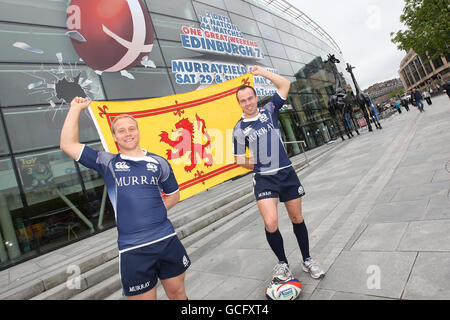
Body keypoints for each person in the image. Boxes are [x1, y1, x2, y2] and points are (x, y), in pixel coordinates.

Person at [60, 97, 190, 300]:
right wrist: (75, 108)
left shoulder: (158, 162)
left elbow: (174, 194)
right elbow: (68, 144)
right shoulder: (106, 162)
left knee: (178, 294)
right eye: (121, 130)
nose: (128, 133)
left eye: (131, 128)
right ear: (115, 137)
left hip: (166, 240)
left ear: (138, 131)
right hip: (133, 249)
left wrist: (155, 214)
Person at [232, 66, 325, 283]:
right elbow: (238, 159)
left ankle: (307, 259)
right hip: (264, 178)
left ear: (256, 98)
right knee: (271, 223)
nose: (247, 103)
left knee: (296, 218)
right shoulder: (238, 129)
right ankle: (283, 264)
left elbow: (285, 85)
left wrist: (261, 72)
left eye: (250, 98)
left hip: (286, 173)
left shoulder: (269, 110)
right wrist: (257, 162)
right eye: (243, 101)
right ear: (239, 104)